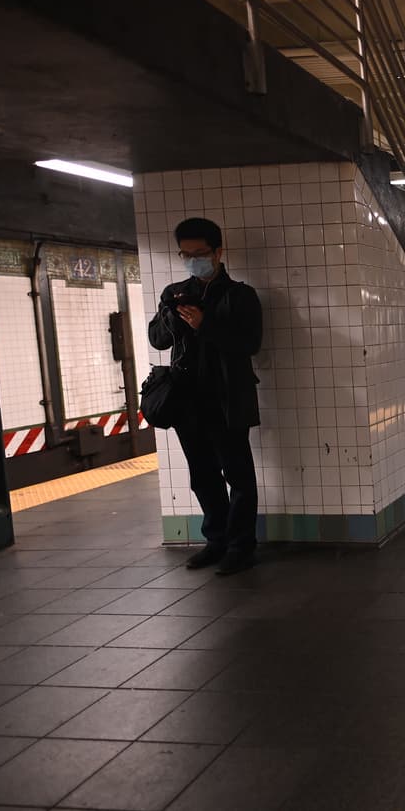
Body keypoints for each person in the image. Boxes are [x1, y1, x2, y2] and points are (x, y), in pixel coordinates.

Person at [149, 218, 263, 575]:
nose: (193, 260)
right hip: (187, 401)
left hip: (228, 399)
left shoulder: (240, 295)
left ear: (218, 252)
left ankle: (241, 546)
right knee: (202, 475)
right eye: (186, 254)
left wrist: (205, 324)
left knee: (238, 476)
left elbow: (249, 344)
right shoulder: (174, 293)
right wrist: (172, 316)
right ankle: (216, 541)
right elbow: (157, 340)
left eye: (200, 253)